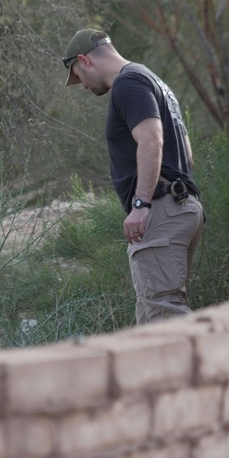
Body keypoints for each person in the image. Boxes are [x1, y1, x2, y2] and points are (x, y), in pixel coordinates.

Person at [61, 28, 205, 323]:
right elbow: (187, 153)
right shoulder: (152, 80)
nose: (83, 87)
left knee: (164, 316)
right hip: (180, 206)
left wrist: (141, 204)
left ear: (84, 60)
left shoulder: (128, 83)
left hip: (161, 208)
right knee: (150, 320)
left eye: (78, 76)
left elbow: (152, 139)